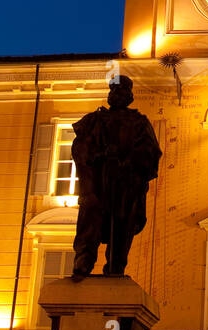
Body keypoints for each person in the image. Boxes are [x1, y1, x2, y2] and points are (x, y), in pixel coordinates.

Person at [69, 75, 161, 279]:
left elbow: (151, 153)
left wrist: (128, 160)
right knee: (90, 218)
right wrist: (98, 156)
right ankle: (83, 260)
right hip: (98, 182)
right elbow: (80, 148)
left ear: (129, 96)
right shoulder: (94, 121)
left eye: (120, 92)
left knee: (122, 225)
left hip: (126, 184)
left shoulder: (139, 123)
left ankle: (116, 266)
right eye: (113, 91)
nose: (116, 95)